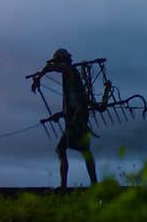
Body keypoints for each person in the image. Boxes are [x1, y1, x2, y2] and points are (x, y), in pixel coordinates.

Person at [31, 48, 98, 188]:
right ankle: (90, 183)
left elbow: (54, 67)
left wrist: (39, 75)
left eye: (58, 61)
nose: (57, 65)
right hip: (74, 118)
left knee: (65, 149)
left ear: (63, 61)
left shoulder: (70, 70)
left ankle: (67, 186)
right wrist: (57, 116)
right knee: (73, 150)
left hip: (77, 119)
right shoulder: (68, 75)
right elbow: (71, 104)